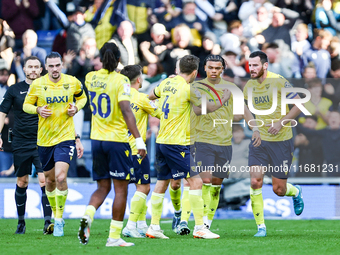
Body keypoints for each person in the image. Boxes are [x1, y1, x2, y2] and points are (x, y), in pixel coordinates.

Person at [146, 55, 228, 239]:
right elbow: (203, 109)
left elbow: (151, 96)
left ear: (178, 69)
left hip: (162, 141)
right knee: (196, 182)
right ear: (194, 72)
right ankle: (200, 228)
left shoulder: (167, 83)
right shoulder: (189, 89)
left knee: (161, 183)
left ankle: (153, 226)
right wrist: (223, 99)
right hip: (177, 143)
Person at [78, 43, 146, 247]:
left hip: (96, 140)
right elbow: (126, 110)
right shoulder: (121, 80)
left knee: (102, 187)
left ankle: (88, 214)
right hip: (116, 140)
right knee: (121, 190)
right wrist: (138, 138)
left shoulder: (91, 77)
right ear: (118, 60)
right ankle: (114, 237)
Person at [23, 52, 86, 237]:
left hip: (65, 137)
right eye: (51, 66)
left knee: (60, 178)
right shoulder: (38, 84)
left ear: (62, 65)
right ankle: (56, 216)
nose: (55, 69)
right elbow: (26, 105)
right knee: (49, 182)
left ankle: (58, 220)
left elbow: (82, 98)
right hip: (44, 140)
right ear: (46, 67)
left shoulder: (72, 81)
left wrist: (76, 107)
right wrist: (37, 109)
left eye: (57, 65)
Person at [193, 54, 260, 229]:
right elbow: (197, 110)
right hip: (203, 140)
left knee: (216, 184)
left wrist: (255, 129)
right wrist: (222, 101)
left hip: (224, 143)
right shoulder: (197, 87)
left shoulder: (232, 88)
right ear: (205, 68)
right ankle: (199, 224)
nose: (214, 71)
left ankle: (207, 223)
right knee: (205, 181)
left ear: (222, 69)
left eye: (217, 68)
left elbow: (245, 111)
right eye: (211, 68)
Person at [244, 51, 304, 237]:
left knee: (279, 189)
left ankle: (295, 192)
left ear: (265, 65)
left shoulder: (279, 81)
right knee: (255, 181)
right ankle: (261, 227)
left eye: (255, 65)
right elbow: (244, 108)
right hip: (259, 140)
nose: (251, 69)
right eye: (250, 65)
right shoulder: (249, 85)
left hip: (281, 141)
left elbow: (300, 104)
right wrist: (254, 128)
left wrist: (281, 123)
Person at [0, 56, 53, 234]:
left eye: (36, 67)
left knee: (44, 179)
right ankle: (21, 223)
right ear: (24, 69)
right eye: (29, 66)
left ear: (41, 69)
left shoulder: (48, 88)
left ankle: (48, 223)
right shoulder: (15, 90)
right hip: (21, 141)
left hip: (43, 140)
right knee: (22, 182)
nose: (33, 70)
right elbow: (2, 112)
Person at [120, 65, 162, 238]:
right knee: (144, 188)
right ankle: (130, 225)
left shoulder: (117, 97)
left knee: (135, 188)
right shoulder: (142, 98)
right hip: (137, 149)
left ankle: (142, 224)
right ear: (139, 80)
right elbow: (161, 113)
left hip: (118, 148)